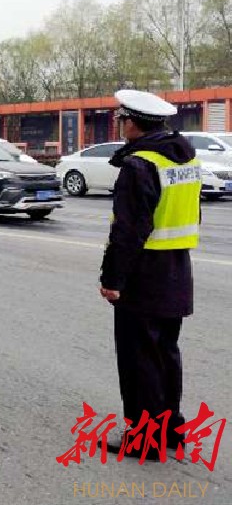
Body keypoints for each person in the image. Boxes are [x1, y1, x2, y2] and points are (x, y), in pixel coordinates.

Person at [99, 90, 201, 460]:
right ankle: (171, 429)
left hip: (144, 272)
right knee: (165, 352)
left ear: (131, 121)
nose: (120, 125)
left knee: (138, 357)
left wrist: (112, 280)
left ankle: (144, 439)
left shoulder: (139, 164)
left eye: (120, 119)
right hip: (177, 267)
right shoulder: (185, 155)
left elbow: (128, 231)